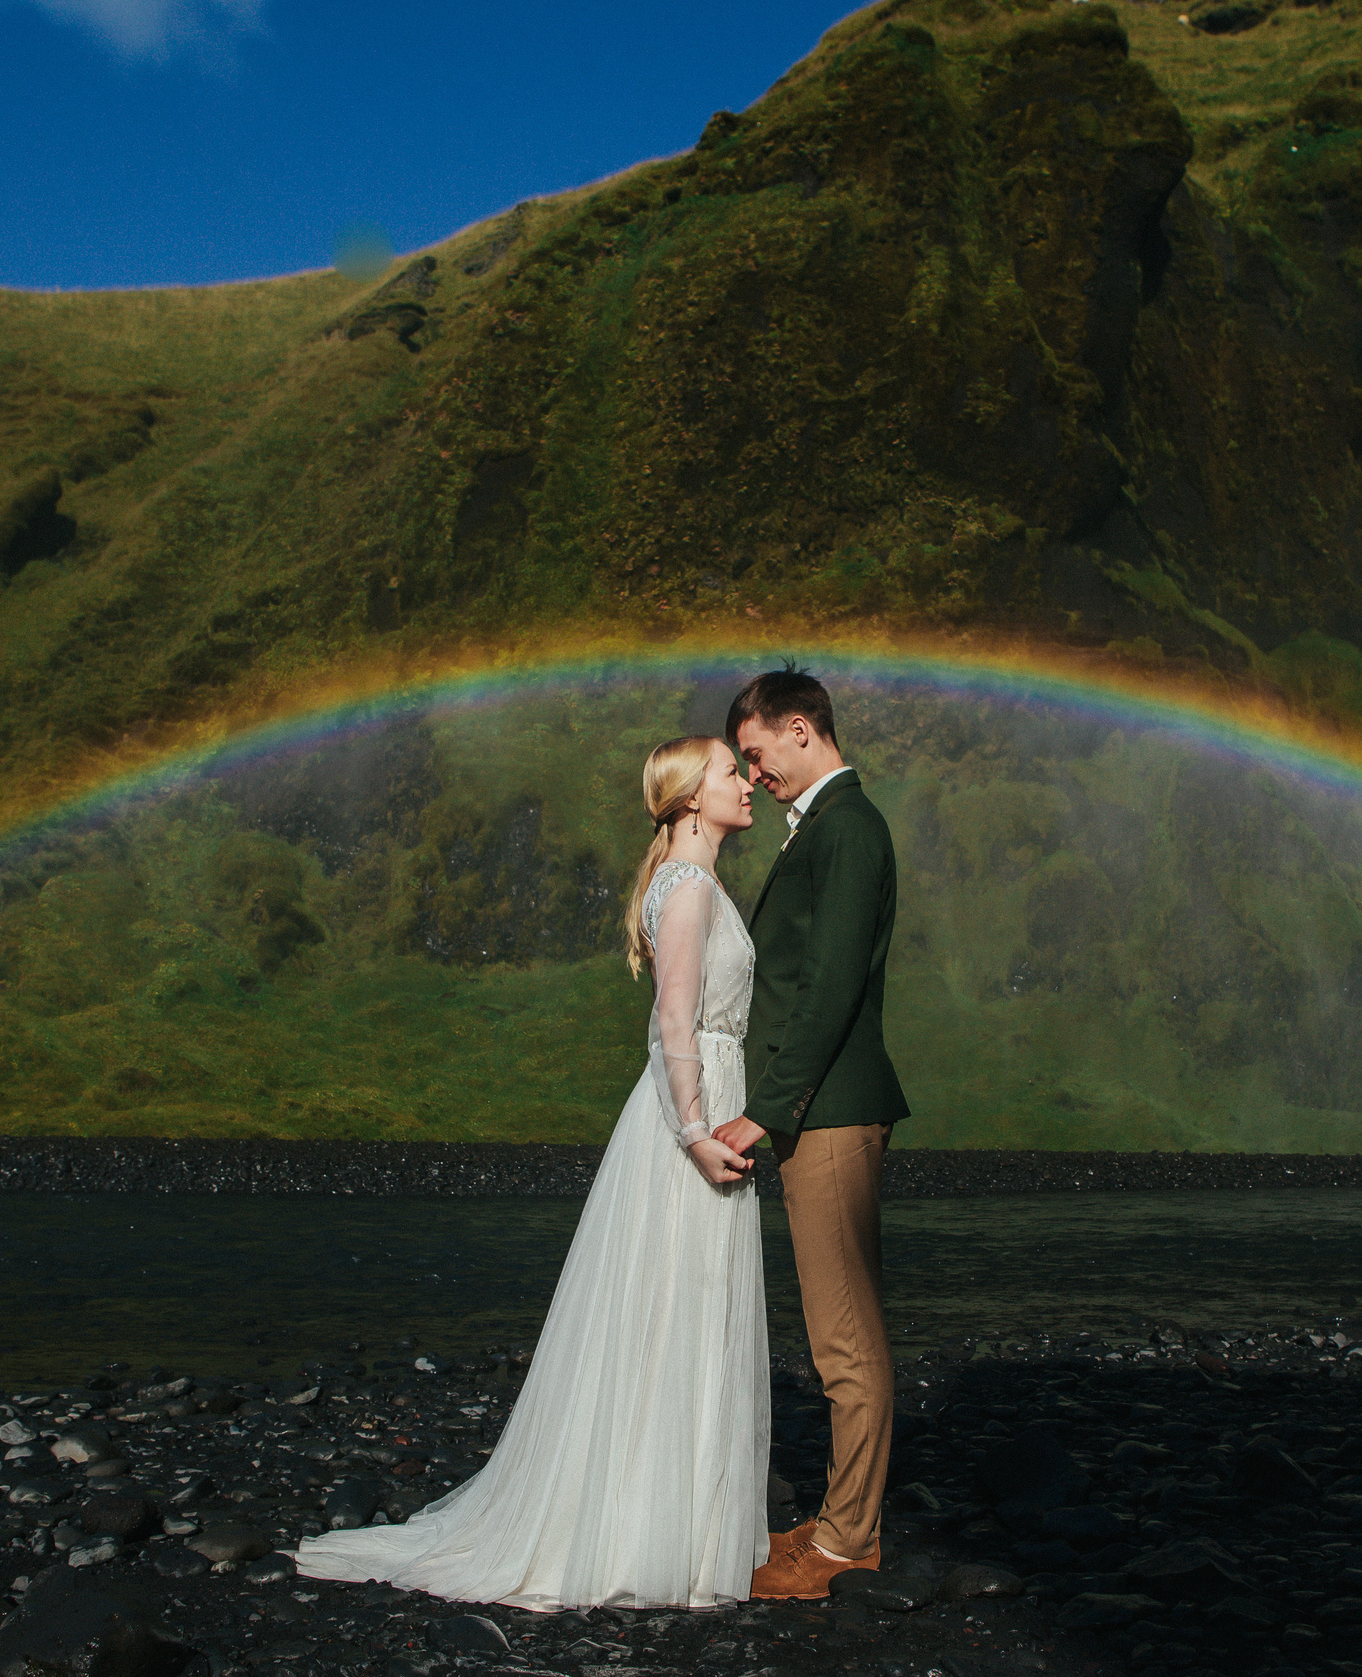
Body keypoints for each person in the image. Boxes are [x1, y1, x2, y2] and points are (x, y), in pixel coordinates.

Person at [291, 736, 769, 1609]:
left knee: (679, 1310)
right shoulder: (692, 888)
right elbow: (672, 1026)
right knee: (674, 1307)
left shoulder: (696, 883)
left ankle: (671, 1523)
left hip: (701, 1108)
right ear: (691, 797)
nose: (747, 781)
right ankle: (649, 1535)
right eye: (730, 771)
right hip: (691, 1123)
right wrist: (698, 1134)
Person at [715, 668, 910, 1599]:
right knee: (838, 1329)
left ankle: (845, 1544)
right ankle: (839, 1522)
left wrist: (769, 1108)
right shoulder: (833, 829)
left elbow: (828, 985)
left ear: (801, 728)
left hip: (827, 1109)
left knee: (844, 1337)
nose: (752, 775)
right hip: (821, 1108)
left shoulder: (850, 829)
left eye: (756, 753)